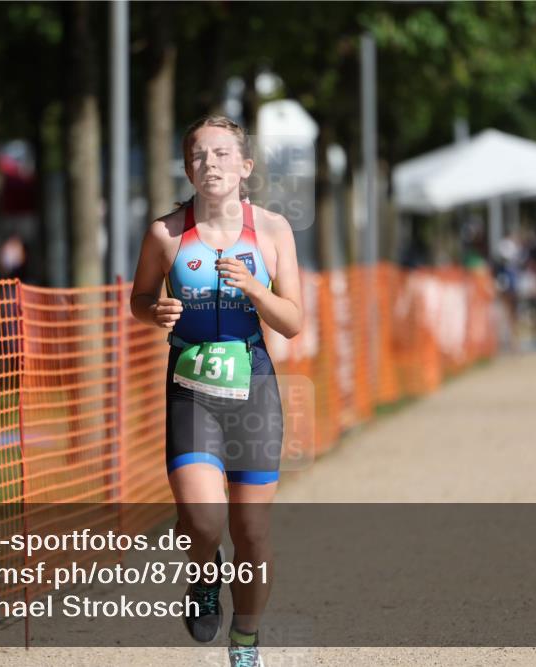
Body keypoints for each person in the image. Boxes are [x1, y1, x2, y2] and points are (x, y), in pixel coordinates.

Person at [130, 115, 303, 667]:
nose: (212, 165)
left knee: (250, 531)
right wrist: (154, 311)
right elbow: (139, 300)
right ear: (187, 168)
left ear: (245, 167)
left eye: (223, 154)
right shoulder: (165, 234)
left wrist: (254, 287)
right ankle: (205, 577)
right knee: (203, 520)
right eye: (200, 156)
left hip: (253, 385)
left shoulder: (273, 230)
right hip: (191, 385)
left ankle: (246, 639)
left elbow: (293, 322)